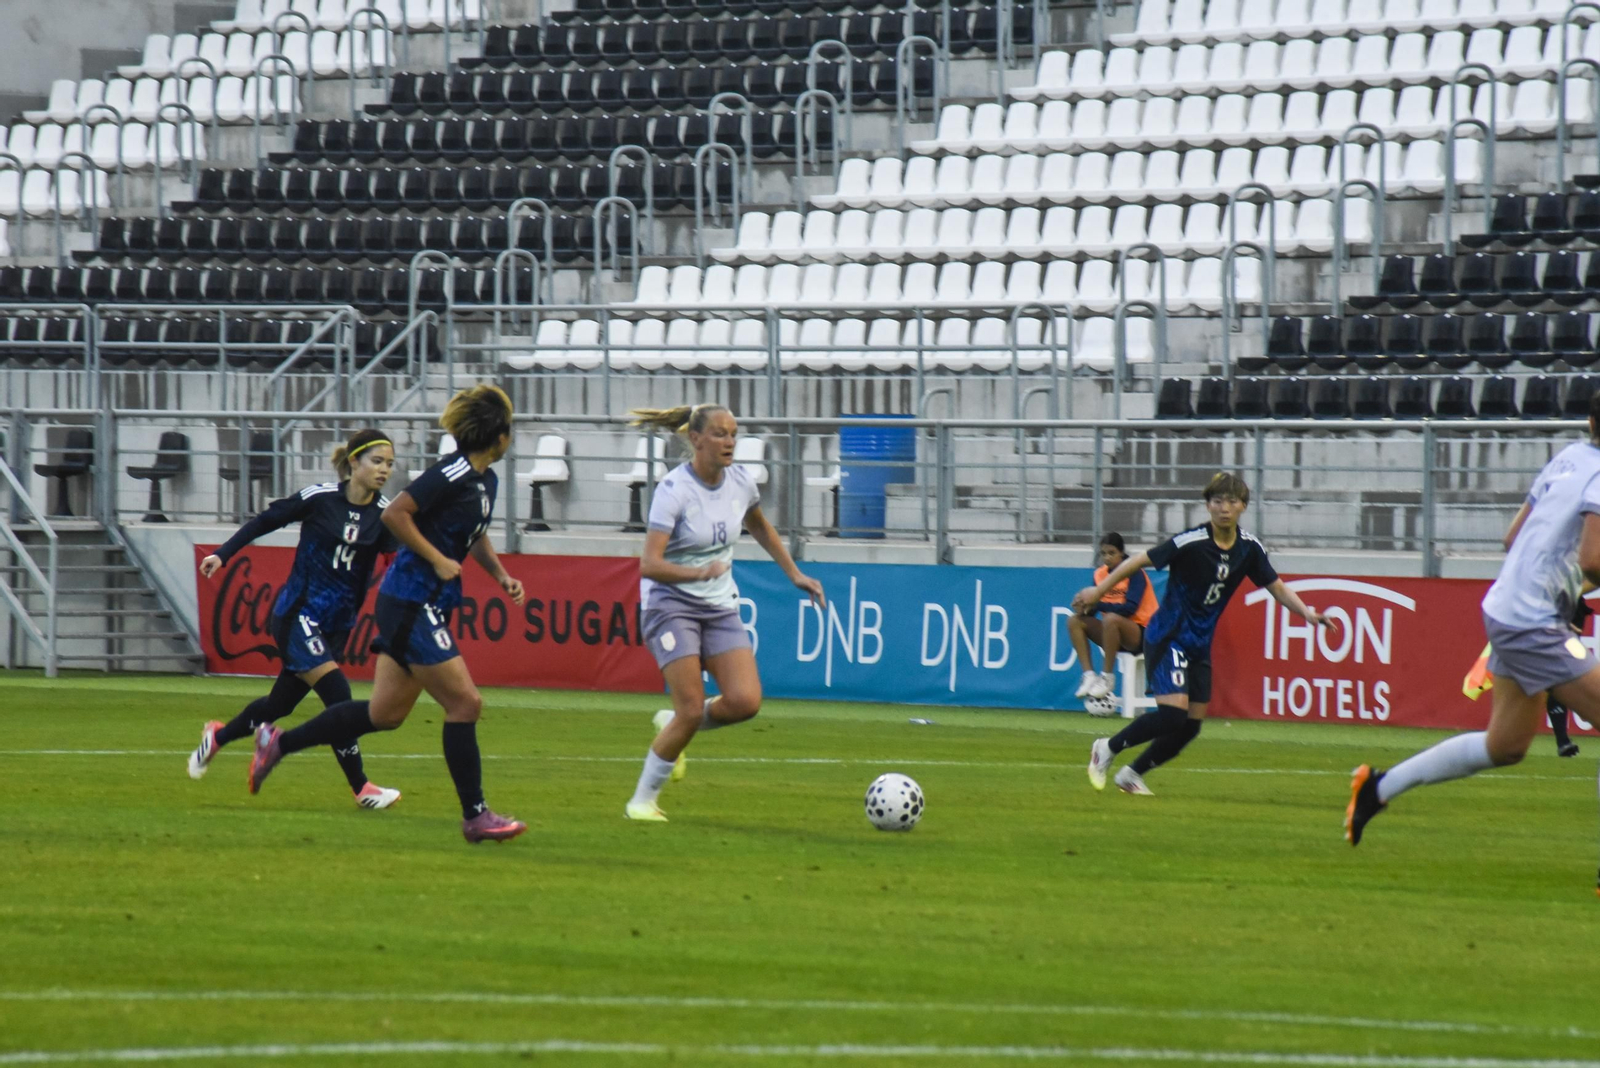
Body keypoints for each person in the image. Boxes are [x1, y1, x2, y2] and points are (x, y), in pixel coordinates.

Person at [245, 385, 530, 844]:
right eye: (509, 429)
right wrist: (437, 558)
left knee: (385, 714)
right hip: (411, 600)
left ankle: (278, 743)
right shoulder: (451, 472)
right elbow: (397, 514)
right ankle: (476, 816)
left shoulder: (485, 480)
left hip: (422, 602)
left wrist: (500, 575)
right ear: (498, 435)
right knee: (466, 704)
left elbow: (473, 532)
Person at [1347, 397, 1600, 845]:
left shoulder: (1569, 457)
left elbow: (1513, 538)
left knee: (1505, 745)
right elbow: (1593, 561)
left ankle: (1377, 788)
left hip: (1508, 607)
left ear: (1590, 421)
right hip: (1533, 620)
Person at [623, 404, 825, 822]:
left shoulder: (741, 482)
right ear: (695, 439)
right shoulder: (674, 490)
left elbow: (759, 524)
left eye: (733, 434)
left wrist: (795, 574)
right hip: (670, 603)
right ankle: (641, 802)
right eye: (719, 434)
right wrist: (697, 573)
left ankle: (672, 722)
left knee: (745, 701)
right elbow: (649, 565)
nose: (729, 441)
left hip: (717, 605)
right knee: (691, 707)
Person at [1074, 473, 1336, 796]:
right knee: (1172, 715)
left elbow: (1277, 587)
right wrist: (1099, 591)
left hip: (1199, 643)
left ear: (1243, 506)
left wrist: (1307, 613)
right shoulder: (1191, 541)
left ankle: (1131, 774)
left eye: (1231, 501)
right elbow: (1140, 560)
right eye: (1217, 501)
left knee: (1190, 727)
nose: (1224, 508)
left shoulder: (1249, 548)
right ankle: (1106, 748)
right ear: (1208, 505)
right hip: (1168, 635)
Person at [187, 428, 402, 810]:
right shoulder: (320, 498)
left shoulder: (385, 515)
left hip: (337, 625)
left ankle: (217, 737)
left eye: (389, 463)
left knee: (278, 706)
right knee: (339, 695)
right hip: (297, 617)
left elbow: (396, 566)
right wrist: (223, 553)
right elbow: (267, 521)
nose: (384, 469)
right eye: (377, 461)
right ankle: (362, 788)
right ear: (354, 462)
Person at [1070, 531, 1159, 708]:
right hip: (1114, 634)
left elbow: (1130, 608)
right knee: (1074, 621)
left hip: (1144, 633)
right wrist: (1084, 607)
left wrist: (1097, 604)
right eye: (1103, 553)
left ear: (1121, 553)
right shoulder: (1099, 574)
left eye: (1112, 553)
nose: (1107, 558)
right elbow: (1094, 610)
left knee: (1111, 619)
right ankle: (1089, 675)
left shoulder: (1135, 572)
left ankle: (1107, 677)